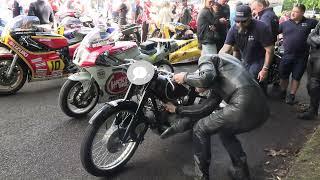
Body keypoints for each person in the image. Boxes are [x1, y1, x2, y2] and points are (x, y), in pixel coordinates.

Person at [161, 53, 270, 180]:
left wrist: (185, 77)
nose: (195, 90)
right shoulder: (222, 73)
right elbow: (204, 109)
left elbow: (205, 77)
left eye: (194, 86)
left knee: (200, 128)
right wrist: (177, 109)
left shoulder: (207, 58)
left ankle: (201, 176)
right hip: (262, 109)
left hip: (243, 104)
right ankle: (241, 171)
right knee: (225, 130)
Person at [219, 5, 274, 94]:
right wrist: (215, 60)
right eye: (237, 21)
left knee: (254, 78)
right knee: (241, 79)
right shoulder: (233, 29)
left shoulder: (261, 27)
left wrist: (265, 69)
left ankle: (261, 99)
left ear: (250, 17)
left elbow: (270, 50)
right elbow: (225, 48)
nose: (240, 24)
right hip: (245, 58)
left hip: (259, 59)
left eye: (243, 21)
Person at [278, 4, 318, 104]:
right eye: (293, 11)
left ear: (302, 13)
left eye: (296, 11)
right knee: (284, 76)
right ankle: (283, 91)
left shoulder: (310, 22)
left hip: (301, 57)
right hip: (286, 55)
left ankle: (292, 95)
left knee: (296, 77)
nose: (293, 13)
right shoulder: (285, 24)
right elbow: (274, 34)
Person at [298, 21, 320, 120]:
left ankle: (313, 111)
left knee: (314, 84)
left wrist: (314, 39)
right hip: (313, 56)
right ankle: (312, 106)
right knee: (309, 84)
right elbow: (310, 36)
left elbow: (312, 37)